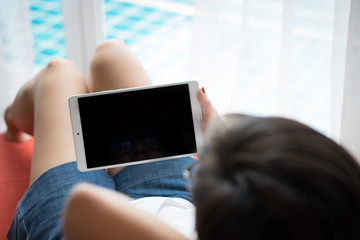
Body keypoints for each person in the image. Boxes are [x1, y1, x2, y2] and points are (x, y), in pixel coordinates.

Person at [5, 39, 360, 240]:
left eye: (200, 170)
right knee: (111, 54)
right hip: (181, 206)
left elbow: (84, 206)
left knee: (59, 73)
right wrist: (219, 143)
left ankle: (13, 125)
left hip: (81, 228)